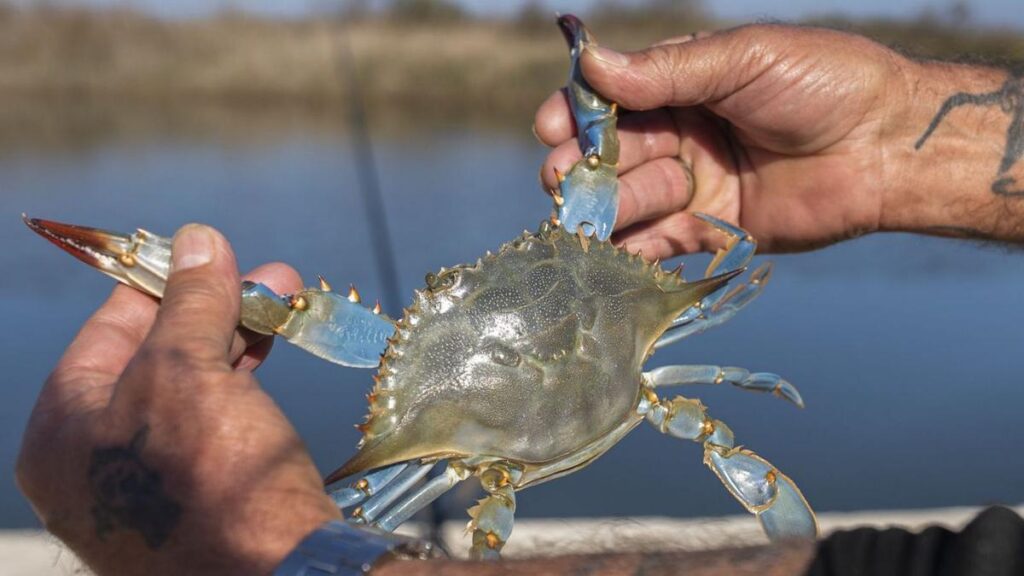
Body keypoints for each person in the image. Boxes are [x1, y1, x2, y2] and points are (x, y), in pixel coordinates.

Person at [16, 23, 1024, 576]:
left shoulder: (469, 319)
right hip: (657, 394)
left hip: (480, 463)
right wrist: (884, 146)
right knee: (737, 458)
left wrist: (278, 551)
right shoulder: (627, 269)